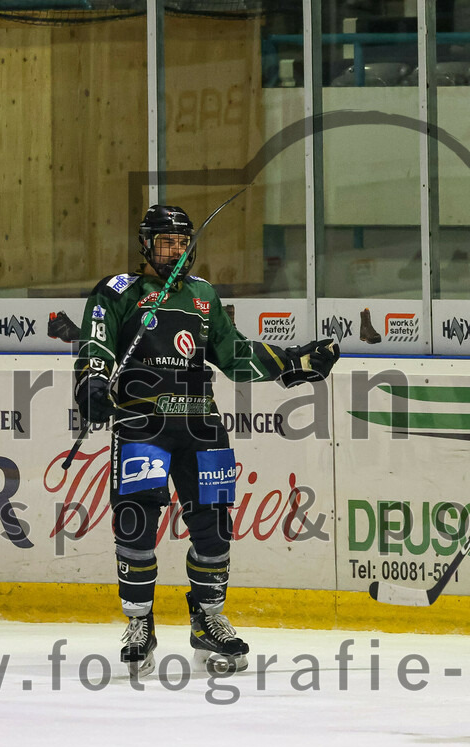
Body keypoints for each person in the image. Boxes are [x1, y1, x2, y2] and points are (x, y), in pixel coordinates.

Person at [73, 204, 339, 677]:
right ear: (146, 245)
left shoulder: (203, 295)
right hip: (141, 423)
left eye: (182, 243)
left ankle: (207, 618)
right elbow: (95, 347)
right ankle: (139, 622)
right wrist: (92, 383)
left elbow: (233, 355)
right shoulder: (116, 292)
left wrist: (290, 361)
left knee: (214, 526)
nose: (175, 251)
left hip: (200, 424)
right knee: (136, 521)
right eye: (165, 242)